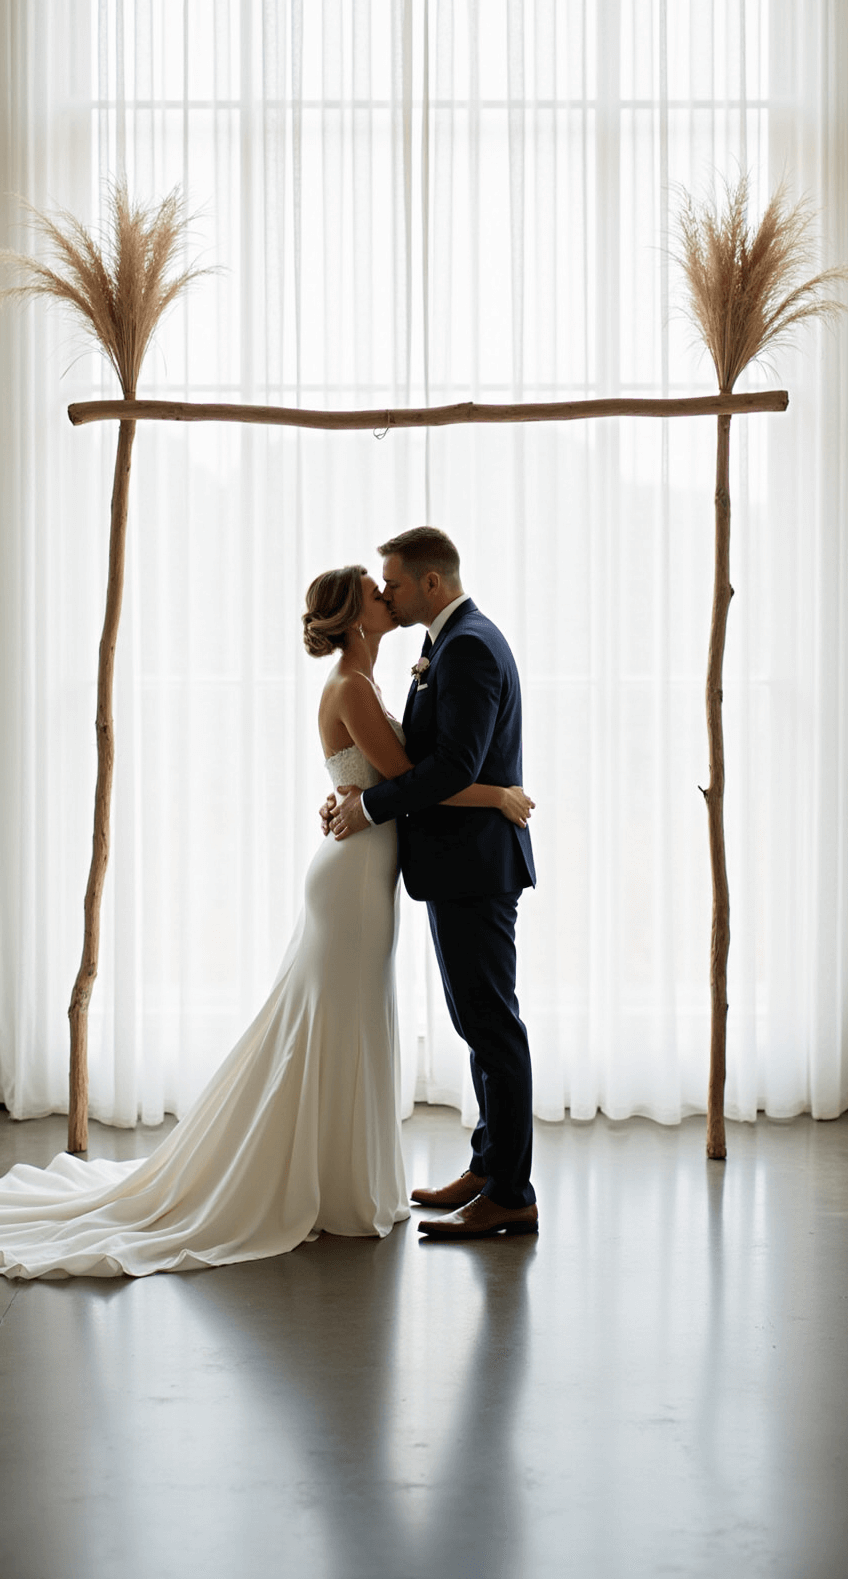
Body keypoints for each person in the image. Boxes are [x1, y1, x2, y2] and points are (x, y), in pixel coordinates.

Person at [0, 564, 532, 1279]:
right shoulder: (353, 687)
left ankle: (349, 1174)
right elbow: (419, 781)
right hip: (352, 881)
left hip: (364, 869)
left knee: (347, 1023)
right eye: (377, 594)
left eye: (391, 589)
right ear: (358, 621)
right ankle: (331, 1182)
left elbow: (399, 780)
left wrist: (357, 795)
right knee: (341, 1023)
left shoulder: (368, 683)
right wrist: (496, 793)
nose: (389, 600)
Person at [327, 528, 539, 1241]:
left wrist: (368, 805)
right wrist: (348, 792)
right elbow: (417, 756)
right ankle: (487, 1167)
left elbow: (453, 767)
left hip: (476, 867)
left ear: (432, 585)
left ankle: (511, 1192)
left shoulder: (469, 645)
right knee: (478, 1025)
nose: (386, 594)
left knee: (492, 1026)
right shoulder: (449, 643)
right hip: (459, 863)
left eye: (393, 583)